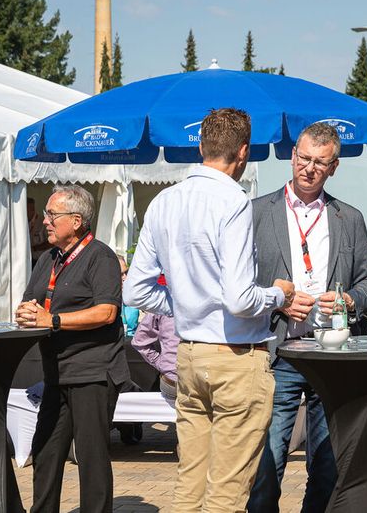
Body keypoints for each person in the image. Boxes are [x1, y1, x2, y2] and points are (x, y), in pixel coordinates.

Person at [123, 108, 295, 513]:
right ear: (243, 153)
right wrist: (278, 294)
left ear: (200, 146)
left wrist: (184, 302)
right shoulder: (234, 201)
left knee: (190, 483)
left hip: (190, 354)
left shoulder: (165, 200)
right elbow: (239, 298)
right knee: (227, 493)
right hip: (234, 356)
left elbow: (134, 289)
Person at [248, 122, 367, 513]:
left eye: (320, 162)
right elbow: (237, 285)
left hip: (332, 356)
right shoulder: (256, 213)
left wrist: (349, 301)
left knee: (328, 467)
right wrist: (277, 301)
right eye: (304, 158)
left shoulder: (349, 218)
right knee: (267, 462)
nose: (309, 168)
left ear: (334, 167)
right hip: (278, 353)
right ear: (292, 157)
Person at [15, 184, 130, 513]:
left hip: (92, 373)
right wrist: (26, 312)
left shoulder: (101, 257)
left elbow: (107, 312)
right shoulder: (48, 258)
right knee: (46, 451)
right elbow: (32, 300)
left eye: (52, 215)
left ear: (77, 220)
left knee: (92, 459)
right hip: (56, 373)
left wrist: (52, 320)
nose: (45, 221)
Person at [132, 312, 178, 403]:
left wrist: (163, 364)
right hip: (204, 376)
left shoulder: (164, 303)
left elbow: (139, 341)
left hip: (173, 378)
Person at [118, 255, 140, 338]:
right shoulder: (103, 300)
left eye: (126, 272)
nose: (125, 277)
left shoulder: (133, 294)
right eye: (121, 274)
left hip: (132, 342)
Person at [27, 197, 49, 266]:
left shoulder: (43, 222)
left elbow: (51, 243)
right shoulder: (21, 222)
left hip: (40, 261)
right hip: (27, 260)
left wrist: (34, 248)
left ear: (32, 209)